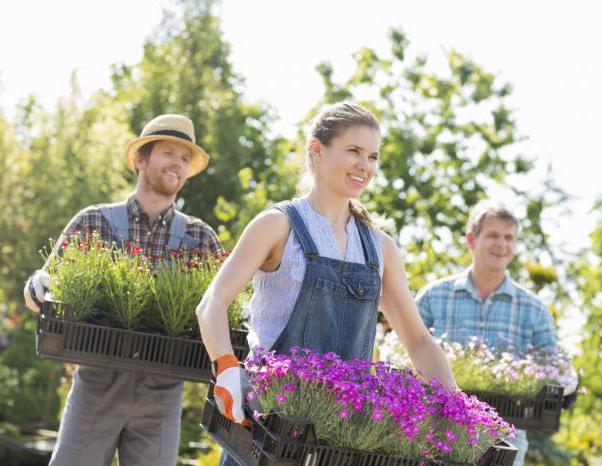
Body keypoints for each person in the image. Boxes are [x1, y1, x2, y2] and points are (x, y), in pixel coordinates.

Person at [195, 102, 457, 465]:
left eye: (373, 156)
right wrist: (226, 367)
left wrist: (458, 410)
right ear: (316, 150)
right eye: (353, 151)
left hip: (342, 438)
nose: (364, 165)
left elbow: (418, 341)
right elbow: (212, 303)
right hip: (269, 429)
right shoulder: (277, 225)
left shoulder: (379, 248)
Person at [24, 114, 224, 466]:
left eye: (184, 158)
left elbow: (219, 309)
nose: (177, 163)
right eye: (168, 152)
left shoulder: (201, 239)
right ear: (140, 159)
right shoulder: (93, 222)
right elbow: (43, 292)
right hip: (95, 386)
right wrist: (37, 284)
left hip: (162, 395)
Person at [416, 200, 559, 466]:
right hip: (436, 430)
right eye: (493, 235)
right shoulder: (434, 297)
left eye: (509, 238)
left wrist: (561, 386)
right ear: (471, 239)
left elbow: (553, 365)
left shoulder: (534, 309)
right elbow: (405, 352)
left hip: (505, 440)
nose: (502, 245)